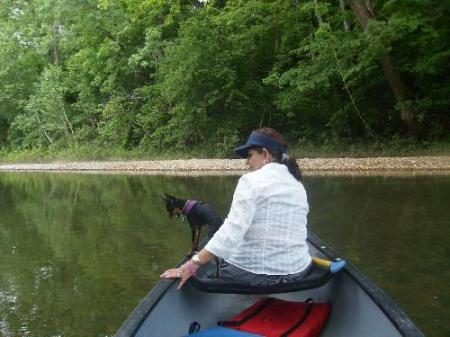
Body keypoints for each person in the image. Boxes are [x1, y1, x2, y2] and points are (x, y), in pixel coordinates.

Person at [160, 128, 311, 289]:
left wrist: (191, 264)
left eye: (250, 156)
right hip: (299, 270)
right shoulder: (297, 183)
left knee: (219, 255)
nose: (247, 163)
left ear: (265, 155)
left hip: (260, 275)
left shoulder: (251, 181)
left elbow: (232, 232)